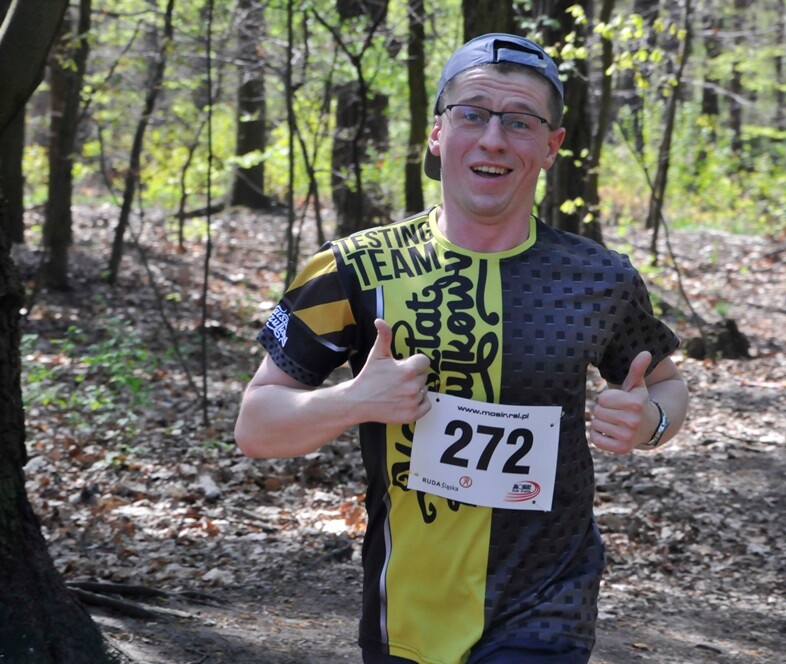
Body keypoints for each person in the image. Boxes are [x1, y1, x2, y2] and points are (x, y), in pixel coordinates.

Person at [235, 32, 689, 664]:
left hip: (547, 605)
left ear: (551, 146)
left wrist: (651, 422)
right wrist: (353, 401)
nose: (493, 139)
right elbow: (256, 427)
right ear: (437, 133)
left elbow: (666, 384)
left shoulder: (598, 278)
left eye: (521, 122)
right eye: (472, 114)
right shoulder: (355, 268)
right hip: (407, 608)